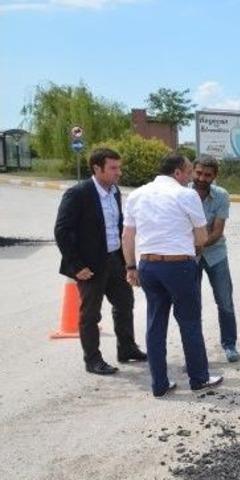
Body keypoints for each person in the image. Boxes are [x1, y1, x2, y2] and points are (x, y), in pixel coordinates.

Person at [122, 153, 222, 397]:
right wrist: (190, 242)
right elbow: (201, 237)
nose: (190, 177)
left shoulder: (136, 195)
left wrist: (131, 267)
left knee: (155, 323)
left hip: (147, 265)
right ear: (177, 172)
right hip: (179, 266)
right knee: (189, 322)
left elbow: (127, 236)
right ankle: (199, 378)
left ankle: (159, 384)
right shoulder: (186, 195)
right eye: (188, 172)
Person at [54, 148, 147, 375]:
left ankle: (126, 348)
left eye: (119, 167)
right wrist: (76, 266)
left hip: (114, 259)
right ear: (97, 168)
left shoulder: (114, 192)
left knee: (124, 303)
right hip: (89, 266)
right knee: (91, 314)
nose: (119, 172)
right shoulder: (78, 193)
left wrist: (127, 262)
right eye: (113, 168)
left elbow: (117, 226)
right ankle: (93, 360)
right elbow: (62, 231)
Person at [190, 155, 239, 363]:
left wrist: (199, 245)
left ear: (215, 176)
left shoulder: (221, 196)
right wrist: (191, 249)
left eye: (207, 175)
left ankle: (229, 344)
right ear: (192, 171)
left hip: (215, 254)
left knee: (225, 301)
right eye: (199, 173)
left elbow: (217, 231)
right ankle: (195, 350)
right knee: (192, 305)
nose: (202, 178)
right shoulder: (182, 194)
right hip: (188, 256)